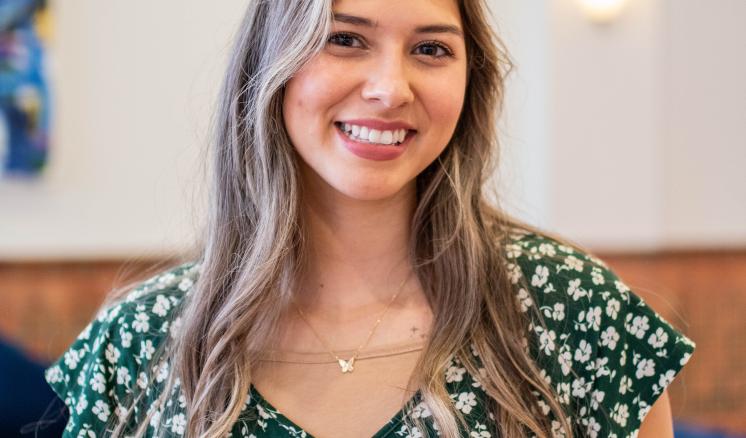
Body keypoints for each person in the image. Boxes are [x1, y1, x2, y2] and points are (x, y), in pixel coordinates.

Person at [43, 0, 696, 437]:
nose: (390, 87)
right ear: (269, 63)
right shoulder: (140, 341)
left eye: (431, 50)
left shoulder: (571, 311)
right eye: (346, 39)